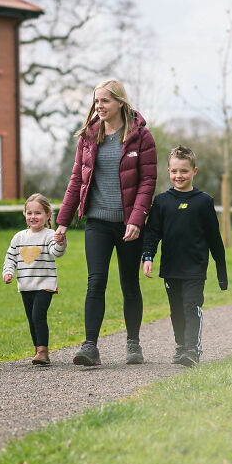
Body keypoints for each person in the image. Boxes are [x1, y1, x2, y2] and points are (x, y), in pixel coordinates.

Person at [54, 79, 157, 366]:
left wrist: (136, 220)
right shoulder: (88, 136)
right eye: (96, 101)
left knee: (129, 283)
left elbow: (148, 181)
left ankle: (133, 343)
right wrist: (62, 221)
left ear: (120, 103)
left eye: (105, 101)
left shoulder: (141, 137)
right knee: (95, 281)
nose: (99, 106)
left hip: (128, 225)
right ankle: (90, 346)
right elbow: (77, 179)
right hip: (97, 223)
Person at [142, 144, 228, 367]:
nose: (179, 176)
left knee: (191, 307)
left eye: (184, 171)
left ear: (194, 172)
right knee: (176, 311)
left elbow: (214, 239)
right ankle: (181, 346)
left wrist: (221, 273)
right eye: (174, 171)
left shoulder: (204, 202)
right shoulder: (161, 202)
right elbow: (152, 233)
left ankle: (192, 350)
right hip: (171, 268)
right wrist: (148, 256)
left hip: (195, 268)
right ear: (168, 171)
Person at [2, 193, 67, 366]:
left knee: (38, 315)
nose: (33, 217)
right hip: (25, 285)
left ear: (47, 215)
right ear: (24, 214)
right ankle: (37, 349)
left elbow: (56, 253)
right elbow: (10, 258)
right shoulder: (19, 237)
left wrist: (61, 242)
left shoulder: (50, 234)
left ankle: (43, 352)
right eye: (29, 213)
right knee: (31, 318)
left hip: (45, 284)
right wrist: (8, 272)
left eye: (38, 213)